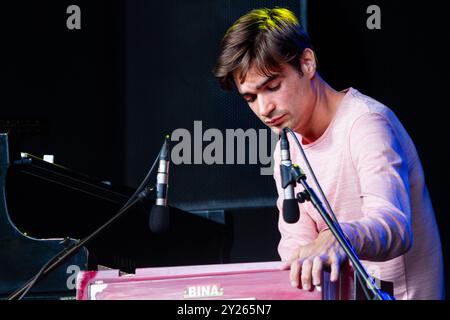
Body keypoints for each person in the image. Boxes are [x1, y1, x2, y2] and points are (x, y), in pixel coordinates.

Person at [213, 7, 444, 299]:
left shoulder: (366, 123)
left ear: (307, 63)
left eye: (272, 87)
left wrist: (337, 237)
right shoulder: (288, 147)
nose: (263, 109)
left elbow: (395, 226)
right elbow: (297, 243)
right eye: (250, 98)